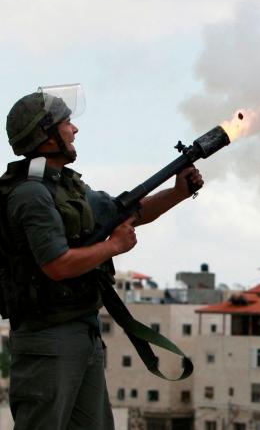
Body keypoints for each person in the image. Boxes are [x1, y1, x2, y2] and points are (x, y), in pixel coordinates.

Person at [0, 85, 203, 430]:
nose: (74, 128)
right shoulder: (30, 195)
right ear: (46, 136)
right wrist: (113, 247)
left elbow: (128, 213)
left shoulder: (66, 187)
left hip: (82, 331)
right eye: (66, 123)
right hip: (48, 340)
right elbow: (57, 264)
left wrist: (179, 193)